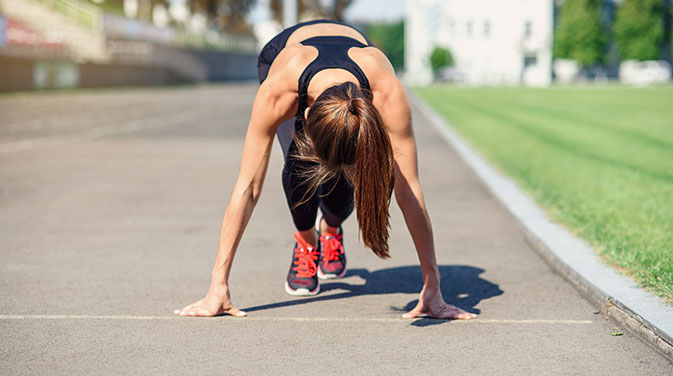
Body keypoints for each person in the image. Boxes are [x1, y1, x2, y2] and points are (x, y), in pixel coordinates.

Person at [174, 19, 476, 320]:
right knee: (297, 164)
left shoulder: (387, 93)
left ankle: (331, 229)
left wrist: (433, 287)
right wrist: (218, 285)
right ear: (304, 116)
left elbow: (409, 192)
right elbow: (248, 186)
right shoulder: (280, 90)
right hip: (284, 56)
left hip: (355, 64)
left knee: (341, 179)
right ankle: (307, 241)